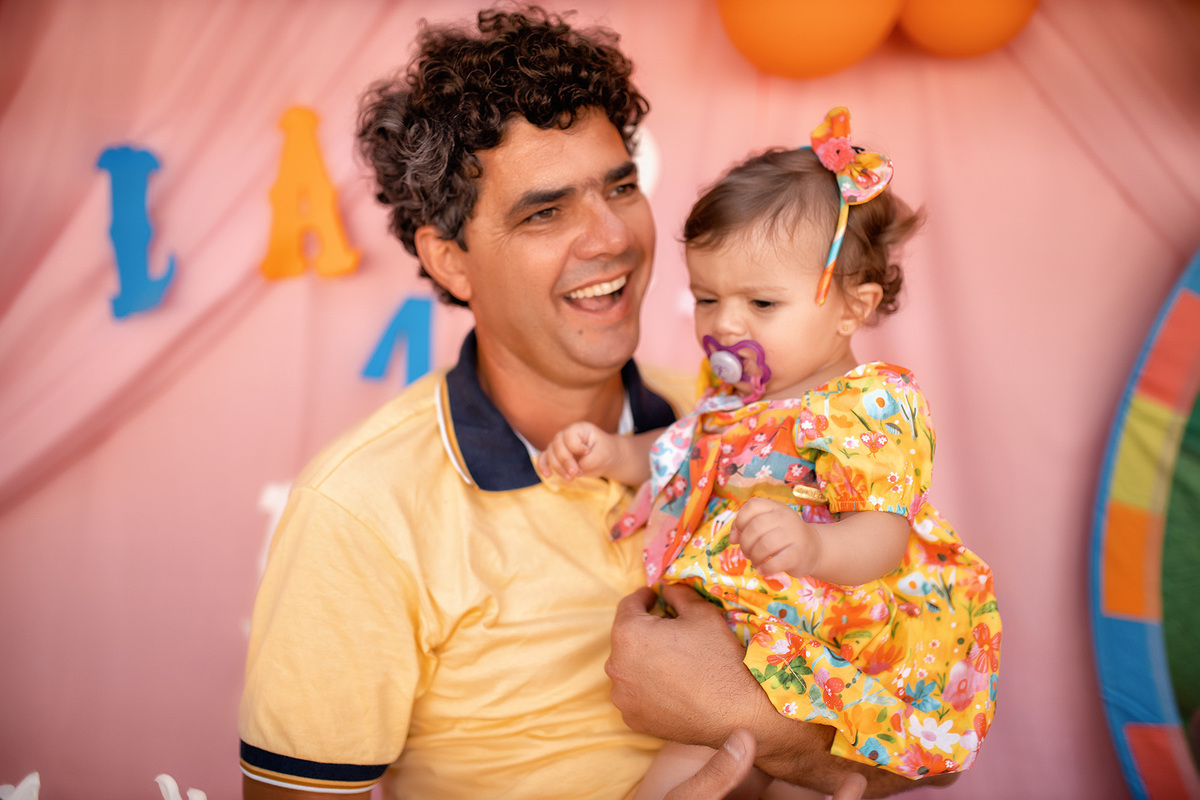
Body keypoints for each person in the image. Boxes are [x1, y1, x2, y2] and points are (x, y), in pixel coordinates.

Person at [238, 6, 963, 798]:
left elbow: (935, 719)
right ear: (451, 261)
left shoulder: (749, 421)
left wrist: (759, 723)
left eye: (621, 186)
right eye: (545, 211)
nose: (612, 236)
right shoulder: (361, 511)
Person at [539, 108, 1002, 798]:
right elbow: (686, 455)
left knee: (800, 781)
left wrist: (813, 547)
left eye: (761, 303)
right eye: (706, 298)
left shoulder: (870, 405)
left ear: (852, 308)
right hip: (740, 639)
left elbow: (883, 536)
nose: (725, 323)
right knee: (686, 767)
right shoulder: (732, 394)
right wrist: (610, 453)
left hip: (836, 644)